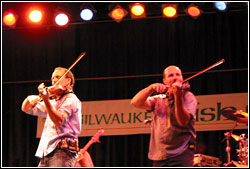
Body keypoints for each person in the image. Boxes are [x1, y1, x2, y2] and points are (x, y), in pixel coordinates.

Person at [130, 65, 198, 167]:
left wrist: (178, 97)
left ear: (182, 78)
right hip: (159, 155)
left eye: (178, 75)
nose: (175, 78)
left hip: (181, 154)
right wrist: (151, 88)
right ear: (164, 81)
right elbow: (135, 103)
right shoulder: (159, 99)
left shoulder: (188, 97)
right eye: (171, 75)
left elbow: (183, 121)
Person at [21, 67, 82, 167]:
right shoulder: (53, 103)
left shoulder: (71, 99)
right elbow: (26, 109)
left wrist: (46, 100)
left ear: (68, 80)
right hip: (46, 152)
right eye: (52, 78)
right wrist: (29, 99)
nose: (54, 80)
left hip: (62, 152)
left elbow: (59, 120)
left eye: (58, 77)